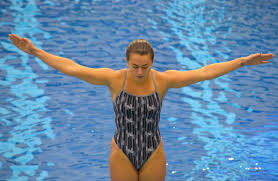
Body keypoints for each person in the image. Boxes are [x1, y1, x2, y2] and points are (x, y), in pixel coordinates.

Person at [8, 34, 274, 181]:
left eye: (144, 67)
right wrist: (35, 51)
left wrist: (241, 61)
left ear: (152, 63)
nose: (138, 71)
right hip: (122, 150)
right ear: (127, 62)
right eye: (134, 66)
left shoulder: (163, 80)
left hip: (153, 150)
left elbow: (205, 72)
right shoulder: (114, 79)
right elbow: (73, 68)